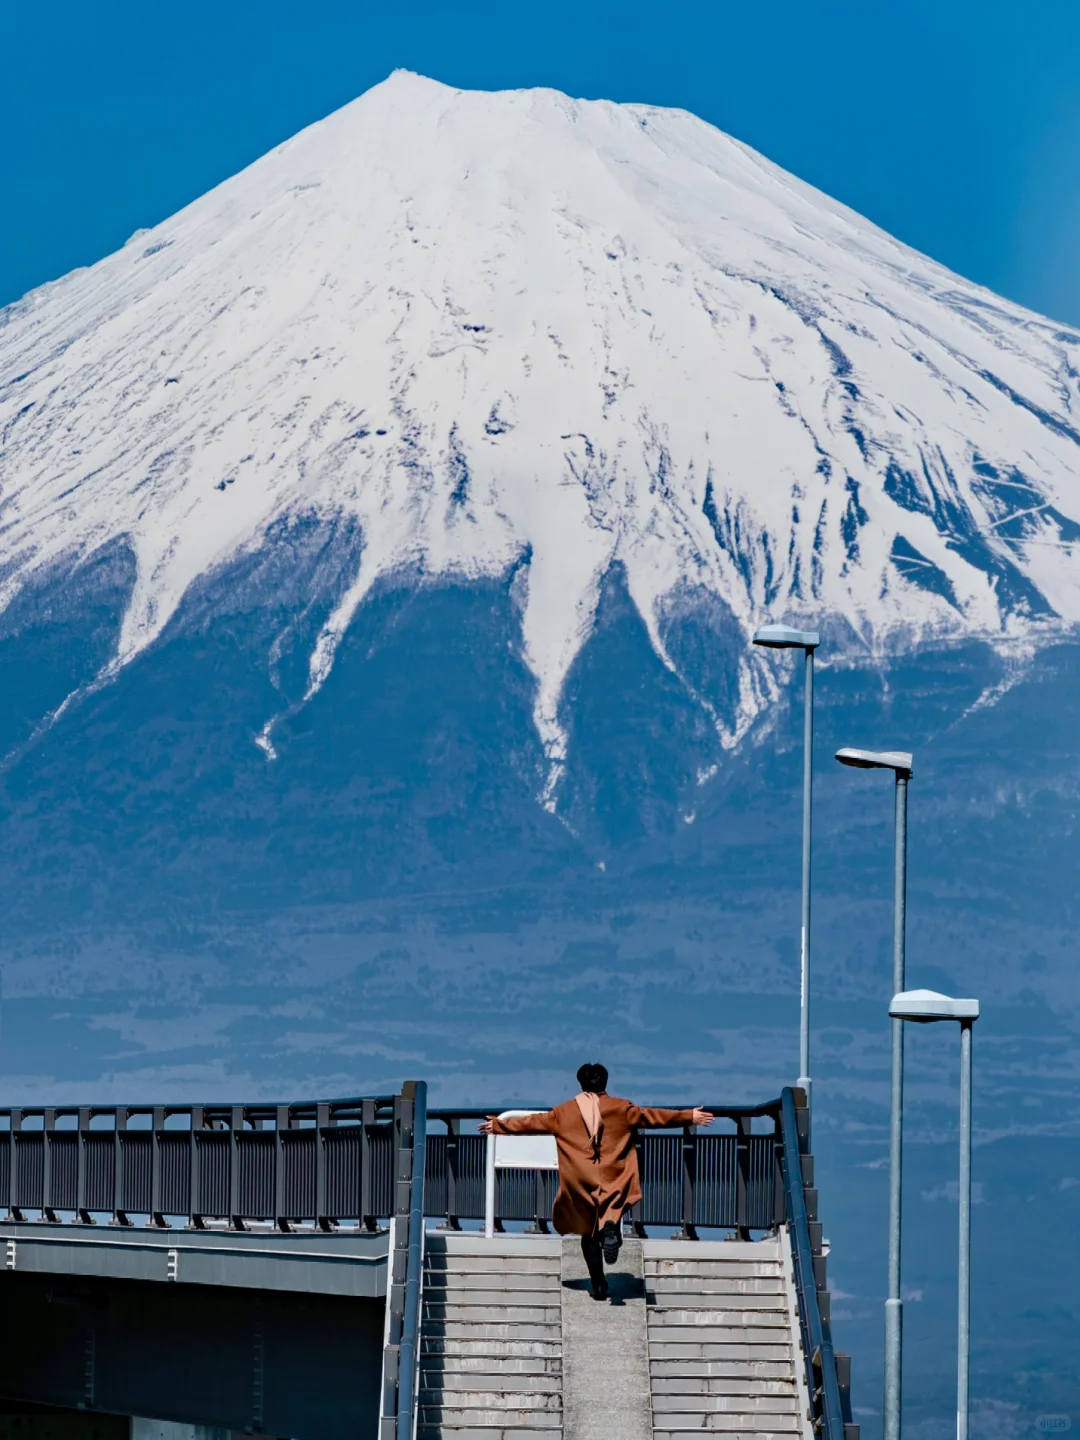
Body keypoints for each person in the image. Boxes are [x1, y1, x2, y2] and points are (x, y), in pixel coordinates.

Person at [480, 1063, 714, 1300]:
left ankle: (599, 1284)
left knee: (588, 1233)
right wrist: (689, 1116)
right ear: (605, 1083)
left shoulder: (564, 1112)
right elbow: (654, 1117)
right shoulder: (622, 1108)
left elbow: (532, 1123)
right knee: (612, 1207)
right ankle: (611, 1228)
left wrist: (498, 1125)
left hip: (580, 1180)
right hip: (613, 1175)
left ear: (581, 1083)